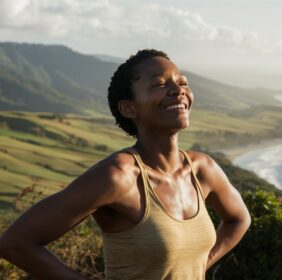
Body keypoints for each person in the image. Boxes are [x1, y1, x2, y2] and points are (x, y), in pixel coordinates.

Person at [0, 49, 251, 279]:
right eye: (159, 84)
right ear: (129, 108)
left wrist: (200, 264)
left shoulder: (202, 169)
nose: (178, 90)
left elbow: (239, 219)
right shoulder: (118, 176)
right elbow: (15, 243)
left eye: (183, 82)